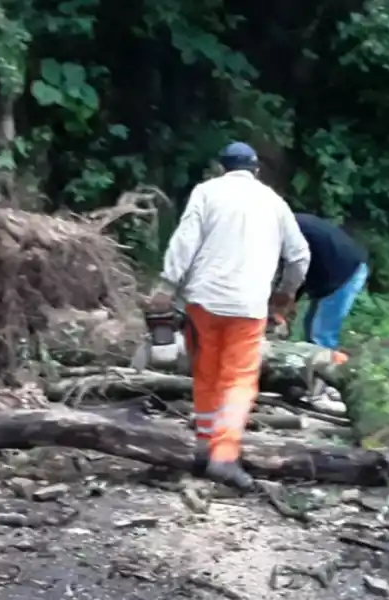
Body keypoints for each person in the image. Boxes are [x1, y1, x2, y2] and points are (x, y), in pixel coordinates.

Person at [146, 142, 311, 491]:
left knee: (205, 373)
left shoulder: (207, 193)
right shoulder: (275, 203)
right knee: (238, 379)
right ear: (256, 170)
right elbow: (299, 257)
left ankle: (204, 446)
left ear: (222, 168)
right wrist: (285, 292)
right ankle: (224, 455)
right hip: (248, 306)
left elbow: (185, 241)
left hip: (203, 301)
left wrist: (166, 285)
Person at [271, 213, 369, 353]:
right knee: (311, 326)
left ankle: (326, 371)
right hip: (330, 266)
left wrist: (284, 302)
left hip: (345, 271)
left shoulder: (288, 233)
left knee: (320, 335)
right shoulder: (286, 225)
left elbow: (296, 268)